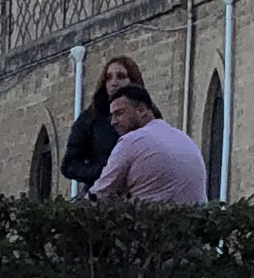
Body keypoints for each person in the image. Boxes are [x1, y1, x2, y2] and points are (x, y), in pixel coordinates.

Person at [88, 76, 208, 206]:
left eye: (119, 113)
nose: (113, 122)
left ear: (141, 111)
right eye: (112, 116)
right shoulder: (184, 139)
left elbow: (99, 194)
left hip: (150, 223)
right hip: (196, 221)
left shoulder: (131, 141)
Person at [60, 56, 148, 195]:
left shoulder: (146, 114)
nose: (114, 83)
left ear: (132, 80)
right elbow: (69, 165)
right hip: (100, 192)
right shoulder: (90, 118)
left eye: (120, 76)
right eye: (109, 78)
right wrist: (102, 171)